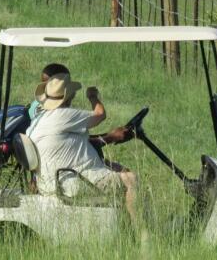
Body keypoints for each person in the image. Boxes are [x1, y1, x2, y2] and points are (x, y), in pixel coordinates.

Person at [26, 73, 138, 220]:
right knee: (132, 180)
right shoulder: (62, 115)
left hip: (52, 179)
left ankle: (124, 222)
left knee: (117, 167)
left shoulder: (37, 121)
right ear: (69, 96)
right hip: (72, 181)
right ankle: (143, 234)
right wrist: (93, 96)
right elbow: (100, 114)